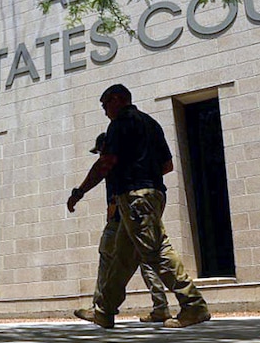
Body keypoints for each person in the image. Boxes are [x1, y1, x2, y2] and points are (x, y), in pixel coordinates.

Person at [67, 84, 210, 329]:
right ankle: (104, 310)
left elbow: (106, 163)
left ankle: (194, 305)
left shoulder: (120, 123)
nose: (104, 112)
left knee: (157, 251)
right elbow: (167, 166)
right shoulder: (151, 124)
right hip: (152, 194)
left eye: (105, 105)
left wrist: (80, 191)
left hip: (135, 198)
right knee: (122, 257)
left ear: (118, 99)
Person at [87, 132, 173, 323]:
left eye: (101, 151)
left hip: (121, 217)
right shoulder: (138, 161)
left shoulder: (114, 166)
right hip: (143, 209)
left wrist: (111, 217)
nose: (100, 156)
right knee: (147, 258)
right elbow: (167, 167)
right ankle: (161, 306)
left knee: (107, 257)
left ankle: (100, 307)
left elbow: (114, 197)